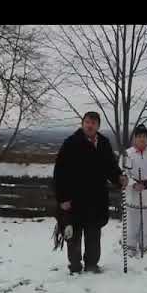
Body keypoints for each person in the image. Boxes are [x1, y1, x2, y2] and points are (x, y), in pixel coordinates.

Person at [53, 112, 128, 274]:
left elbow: (111, 167)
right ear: (82, 123)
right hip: (75, 199)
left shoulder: (104, 143)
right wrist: (63, 198)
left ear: (98, 126)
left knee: (93, 234)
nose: (89, 125)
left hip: (96, 198)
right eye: (87, 122)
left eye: (93, 123)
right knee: (74, 235)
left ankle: (92, 264)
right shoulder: (71, 143)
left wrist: (118, 178)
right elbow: (59, 173)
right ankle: (75, 265)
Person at [123, 124, 147, 257]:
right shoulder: (127, 154)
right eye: (139, 136)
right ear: (134, 138)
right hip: (133, 193)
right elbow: (123, 174)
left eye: (144, 136)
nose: (141, 139)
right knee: (133, 221)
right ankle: (131, 247)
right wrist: (133, 184)